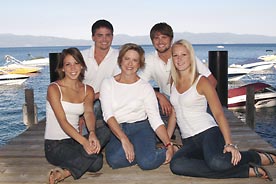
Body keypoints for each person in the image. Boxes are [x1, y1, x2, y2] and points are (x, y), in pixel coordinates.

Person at [167, 39, 275, 181]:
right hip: (189, 140)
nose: (179, 59)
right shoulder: (173, 82)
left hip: (208, 133)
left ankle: (254, 157)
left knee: (217, 163)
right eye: (175, 55)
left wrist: (229, 143)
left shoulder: (202, 81)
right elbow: (174, 113)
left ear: (191, 57)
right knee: (177, 165)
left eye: (184, 55)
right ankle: (243, 170)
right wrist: (167, 141)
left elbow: (218, 113)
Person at [100, 43, 174, 170]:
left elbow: (155, 119)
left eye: (135, 60)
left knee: (147, 163)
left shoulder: (145, 87)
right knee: (114, 160)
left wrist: (168, 144)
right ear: (120, 61)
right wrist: (124, 139)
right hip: (119, 128)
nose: (130, 64)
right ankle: (143, 151)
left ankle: (170, 150)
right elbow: (108, 115)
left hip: (141, 127)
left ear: (140, 64)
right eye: (127, 59)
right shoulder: (108, 84)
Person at [44, 47, 110, 184]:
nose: (73, 68)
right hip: (55, 146)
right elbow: (62, 121)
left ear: (82, 65)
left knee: (108, 129)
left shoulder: (88, 90)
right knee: (96, 161)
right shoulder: (54, 89)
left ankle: (66, 172)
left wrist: (91, 133)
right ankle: (66, 171)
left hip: (74, 141)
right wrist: (85, 142)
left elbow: (89, 113)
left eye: (76, 63)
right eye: (68, 64)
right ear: (62, 68)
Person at [139, 22, 217, 118]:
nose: (160, 42)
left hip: (192, 99)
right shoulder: (150, 60)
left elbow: (212, 81)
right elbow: (138, 84)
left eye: (164, 37)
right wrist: (159, 95)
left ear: (171, 39)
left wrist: (194, 101)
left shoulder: (184, 55)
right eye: (156, 38)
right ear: (152, 41)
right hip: (168, 99)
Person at [81, 19, 120, 121]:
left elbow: (118, 84)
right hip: (82, 100)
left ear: (112, 37)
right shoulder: (81, 56)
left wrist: (94, 97)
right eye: (100, 35)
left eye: (108, 35)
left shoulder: (120, 57)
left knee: (98, 105)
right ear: (93, 37)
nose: (104, 39)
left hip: (106, 100)